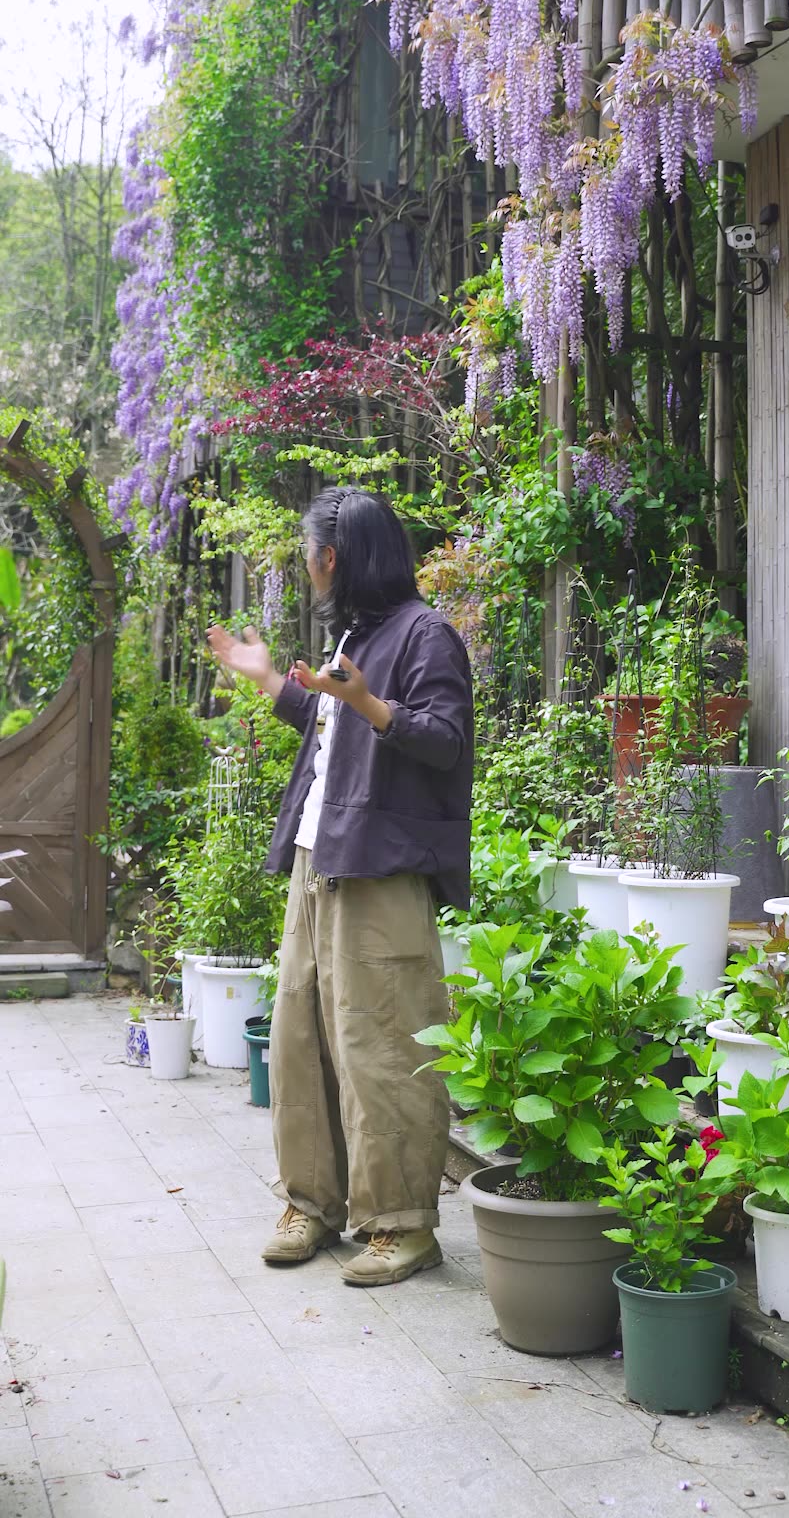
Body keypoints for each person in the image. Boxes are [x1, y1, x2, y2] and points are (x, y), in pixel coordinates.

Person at [207, 487, 473, 1287]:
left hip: (382, 870)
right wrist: (274, 685)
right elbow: (344, 738)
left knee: (380, 1044)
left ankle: (400, 1224)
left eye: (311, 553)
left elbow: (444, 741)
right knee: (298, 1038)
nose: (309, 567)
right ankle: (312, 1203)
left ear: (337, 557)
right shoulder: (357, 632)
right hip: (317, 858)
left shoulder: (426, 635)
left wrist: (364, 700)